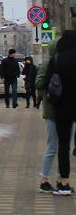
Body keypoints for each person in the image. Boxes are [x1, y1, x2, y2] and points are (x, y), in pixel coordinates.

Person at [36, 45, 73, 192]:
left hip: (66, 109)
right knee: (52, 146)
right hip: (52, 111)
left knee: (65, 147)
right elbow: (39, 83)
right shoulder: (48, 63)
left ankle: (60, 179)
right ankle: (44, 179)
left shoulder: (65, 61)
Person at [45, 30, 76, 196]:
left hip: (63, 108)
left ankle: (64, 183)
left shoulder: (56, 60)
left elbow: (47, 83)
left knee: (63, 146)